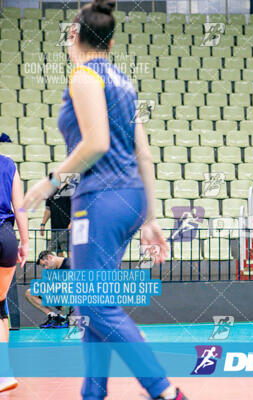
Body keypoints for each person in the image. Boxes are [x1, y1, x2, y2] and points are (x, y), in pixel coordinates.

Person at [22, 1, 187, 399]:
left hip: (99, 199)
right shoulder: (125, 82)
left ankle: (165, 392)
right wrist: (149, 217)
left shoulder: (82, 76)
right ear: (111, 41)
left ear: (73, 37)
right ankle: (92, 394)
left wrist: (49, 183)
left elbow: (97, 143)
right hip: (128, 199)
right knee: (95, 304)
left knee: (95, 306)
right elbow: (143, 153)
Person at [0, 154, 29, 393]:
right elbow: (19, 206)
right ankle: (4, 373)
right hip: (6, 239)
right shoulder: (8, 164)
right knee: (0, 307)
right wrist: (26, 242)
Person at [25, 250, 72, 328]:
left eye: (45, 264)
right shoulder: (50, 270)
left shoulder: (69, 264)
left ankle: (64, 318)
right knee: (29, 293)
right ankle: (53, 316)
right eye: (43, 266)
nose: (46, 267)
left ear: (50, 257)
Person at [41, 185, 71, 257]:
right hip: (55, 228)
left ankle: (72, 268)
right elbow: (48, 209)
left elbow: (75, 207)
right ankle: (61, 268)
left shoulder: (70, 189)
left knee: (69, 250)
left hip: (66, 227)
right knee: (58, 250)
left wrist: (72, 222)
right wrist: (43, 224)